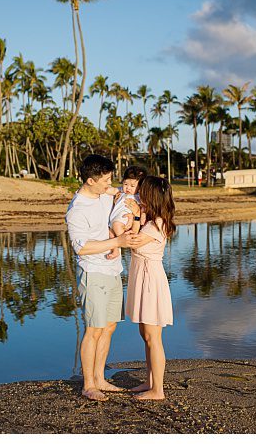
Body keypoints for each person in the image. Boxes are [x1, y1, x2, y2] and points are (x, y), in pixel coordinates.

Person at [66, 154, 151, 401]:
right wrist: (118, 241)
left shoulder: (104, 193)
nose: (109, 183)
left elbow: (129, 190)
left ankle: (101, 378)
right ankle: (89, 384)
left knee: (110, 326)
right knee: (93, 329)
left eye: (110, 178)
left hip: (113, 271)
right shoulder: (77, 209)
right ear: (90, 181)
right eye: (105, 180)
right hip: (93, 272)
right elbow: (81, 247)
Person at [123, 175, 176, 401]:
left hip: (151, 280)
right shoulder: (150, 219)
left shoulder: (158, 224)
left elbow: (131, 240)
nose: (138, 195)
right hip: (141, 276)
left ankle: (158, 390)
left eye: (142, 192)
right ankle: (150, 380)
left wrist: (135, 213)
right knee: (145, 334)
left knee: (154, 337)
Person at [105, 166, 148, 261]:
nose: (128, 188)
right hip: (113, 218)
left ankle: (126, 240)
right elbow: (110, 190)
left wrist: (135, 216)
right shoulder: (120, 191)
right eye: (125, 184)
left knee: (116, 226)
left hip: (122, 218)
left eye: (132, 186)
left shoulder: (138, 197)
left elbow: (143, 208)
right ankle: (115, 250)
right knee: (110, 234)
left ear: (140, 187)